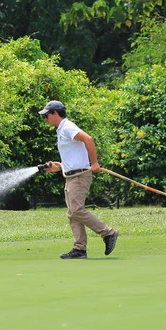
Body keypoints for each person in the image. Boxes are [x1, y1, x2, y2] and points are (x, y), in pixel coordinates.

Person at [39, 100, 119, 259]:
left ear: (55, 113)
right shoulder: (61, 130)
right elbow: (73, 157)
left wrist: (94, 162)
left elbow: (88, 139)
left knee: (76, 210)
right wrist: (57, 166)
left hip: (79, 176)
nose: (45, 119)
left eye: (47, 115)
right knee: (72, 213)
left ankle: (108, 233)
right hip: (71, 176)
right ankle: (79, 249)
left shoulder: (67, 127)